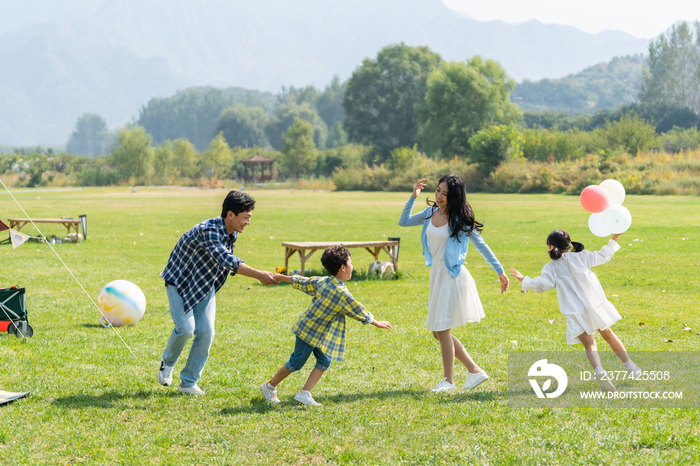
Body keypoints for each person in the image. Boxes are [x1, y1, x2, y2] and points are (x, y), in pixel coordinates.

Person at [157, 190, 278, 395]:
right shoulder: (209, 230)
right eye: (245, 217)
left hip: (204, 284)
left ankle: (188, 383)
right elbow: (226, 259)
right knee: (186, 328)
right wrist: (258, 274)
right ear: (230, 215)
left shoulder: (232, 232)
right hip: (180, 281)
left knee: (206, 332)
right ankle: (166, 363)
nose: (248, 222)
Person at [399, 175, 509, 393]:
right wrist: (413, 197)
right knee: (437, 332)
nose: (439, 196)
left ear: (455, 197)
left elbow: (482, 246)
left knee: (442, 329)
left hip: (452, 276)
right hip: (436, 275)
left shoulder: (460, 220)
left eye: (445, 194)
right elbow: (403, 221)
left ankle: (448, 381)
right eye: (438, 190)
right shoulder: (430, 212)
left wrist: (500, 271)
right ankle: (474, 371)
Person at [509, 230, 641, 392]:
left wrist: (525, 280)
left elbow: (543, 285)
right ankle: (630, 367)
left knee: (589, 343)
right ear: (568, 244)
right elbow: (603, 255)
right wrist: (614, 237)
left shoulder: (551, 267)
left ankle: (600, 372)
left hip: (574, 311)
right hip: (594, 305)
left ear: (551, 247)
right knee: (608, 335)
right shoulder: (582, 256)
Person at [259, 246, 392, 406]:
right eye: (351, 263)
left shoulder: (324, 281)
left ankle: (304, 393)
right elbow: (357, 309)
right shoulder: (341, 293)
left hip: (316, 333)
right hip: (308, 333)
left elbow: (303, 281)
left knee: (325, 360)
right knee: (296, 363)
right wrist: (376, 323)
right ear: (343, 267)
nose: (352, 266)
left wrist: (281, 277)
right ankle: (269, 386)